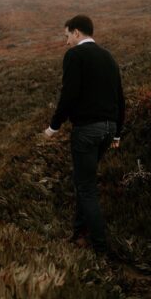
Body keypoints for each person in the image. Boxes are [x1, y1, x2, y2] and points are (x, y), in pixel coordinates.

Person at [43, 13, 126, 250]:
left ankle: (100, 246)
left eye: (67, 35)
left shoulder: (75, 55)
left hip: (87, 130)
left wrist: (53, 127)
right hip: (109, 129)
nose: (66, 41)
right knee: (84, 181)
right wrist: (117, 134)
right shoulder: (108, 57)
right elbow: (119, 97)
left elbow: (68, 94)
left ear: (76, 32)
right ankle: (79, 232)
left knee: (86, 187)